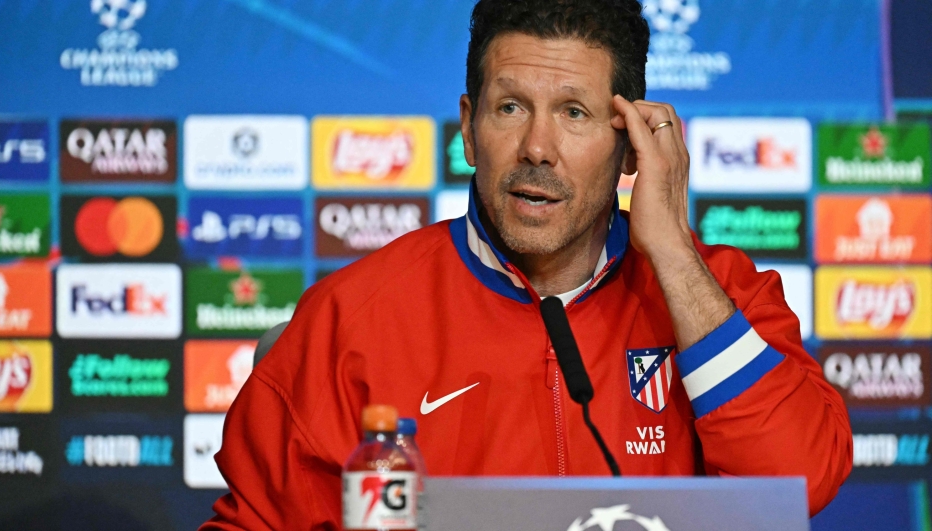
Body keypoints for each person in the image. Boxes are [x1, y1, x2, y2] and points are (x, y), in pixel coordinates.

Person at [202, 0, 852, 528]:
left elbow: (796, 485)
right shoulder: (353, 318)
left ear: (631, 147)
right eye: (510, 107)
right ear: (468, 126)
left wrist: (676, 258)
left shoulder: (720, 294)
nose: (536, 147)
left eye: (574, 113)